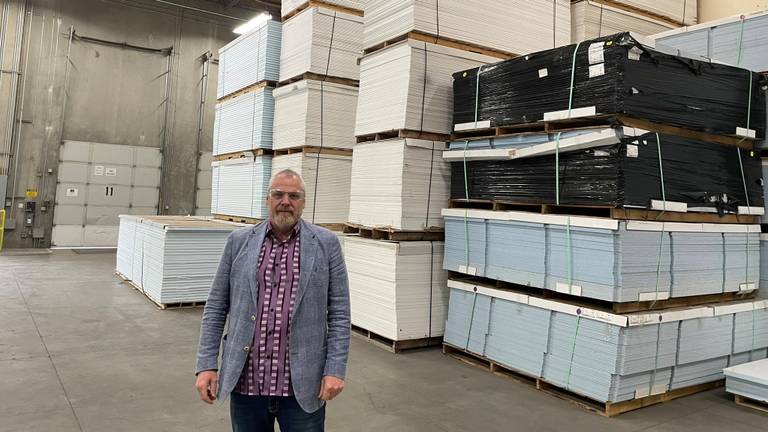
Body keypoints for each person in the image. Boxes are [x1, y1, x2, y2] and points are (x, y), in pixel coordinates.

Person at [195, 168, 351, 432]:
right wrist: (206, 364)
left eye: (294, 196)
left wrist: (335, 369)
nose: (285, 201)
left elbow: (339, 313)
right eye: (278, 194)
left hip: (302, 386)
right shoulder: (238, 242)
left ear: (303, 202)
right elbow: (216, 306)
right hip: (247, 385)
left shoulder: (326, 244)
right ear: (267, 199)